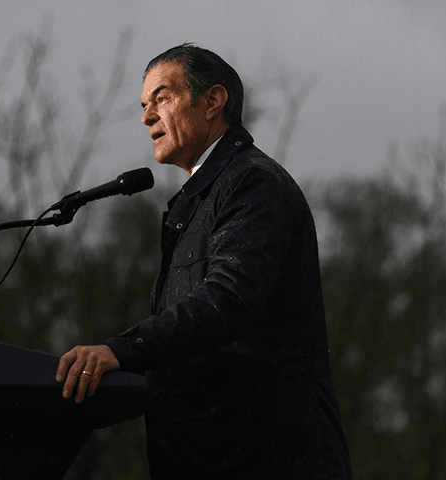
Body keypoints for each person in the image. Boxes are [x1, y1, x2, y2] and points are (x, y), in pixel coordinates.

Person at [56, 43, 353, 479]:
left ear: (213, 101)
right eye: (144, 104)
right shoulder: (197, 199)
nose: (146, 117)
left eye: (162, 98)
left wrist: (119, 351)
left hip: (268, 459)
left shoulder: (252, 183)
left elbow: (226, 301)